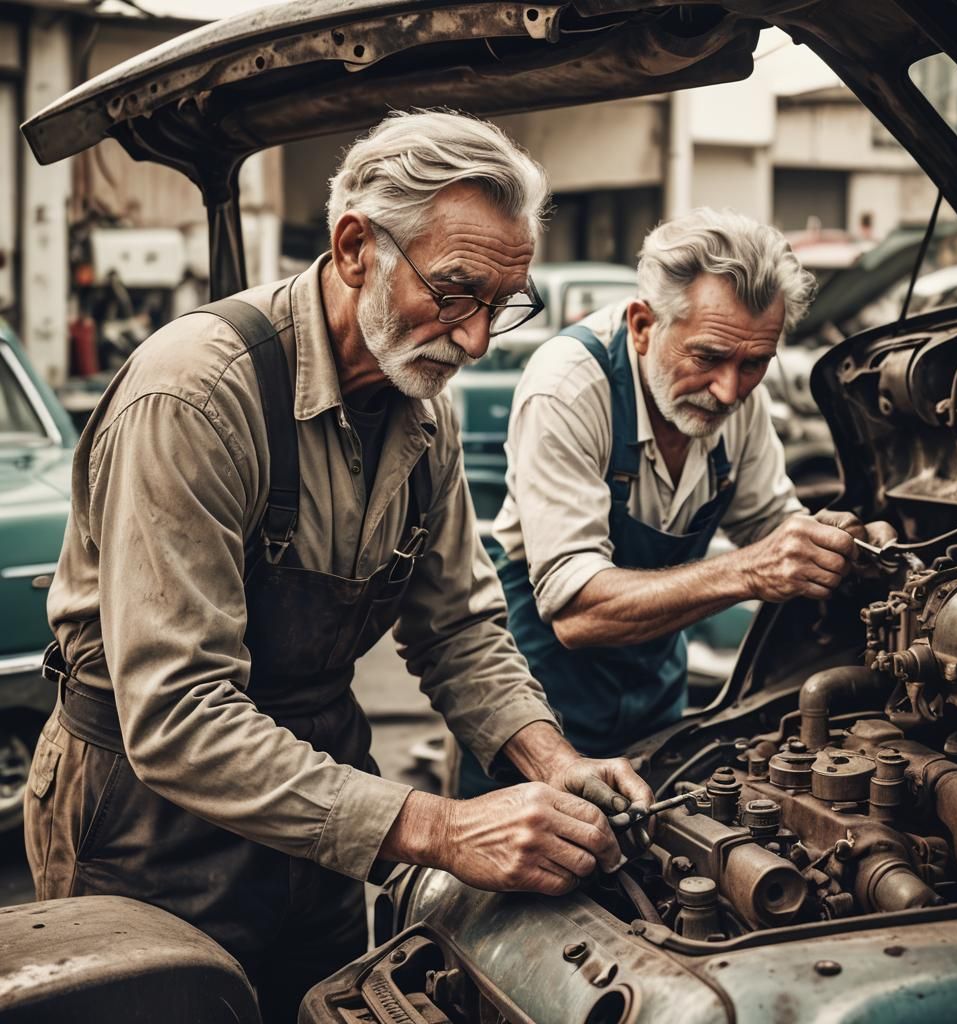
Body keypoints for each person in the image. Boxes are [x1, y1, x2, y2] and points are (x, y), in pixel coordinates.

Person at [24, 110, 650, 1023]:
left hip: (320, 812)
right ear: (356, 248)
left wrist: (550, 759)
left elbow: (458, 627)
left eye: (502, 303)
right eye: (456, 292)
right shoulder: (194, 396)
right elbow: (177, 713)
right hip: (146, 823)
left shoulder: (420, 410)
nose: (477, 340)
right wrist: (441, 826)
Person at [457, 208, 894, 795]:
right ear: (643, 325)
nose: (729, 391)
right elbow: (576, 613)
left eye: (754, 364)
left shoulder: (738, 400)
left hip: (656, 697)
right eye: (707, 357)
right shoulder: (568, 386)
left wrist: (829, 543)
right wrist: (750, 571)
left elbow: (771, 525)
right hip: (537, 709)